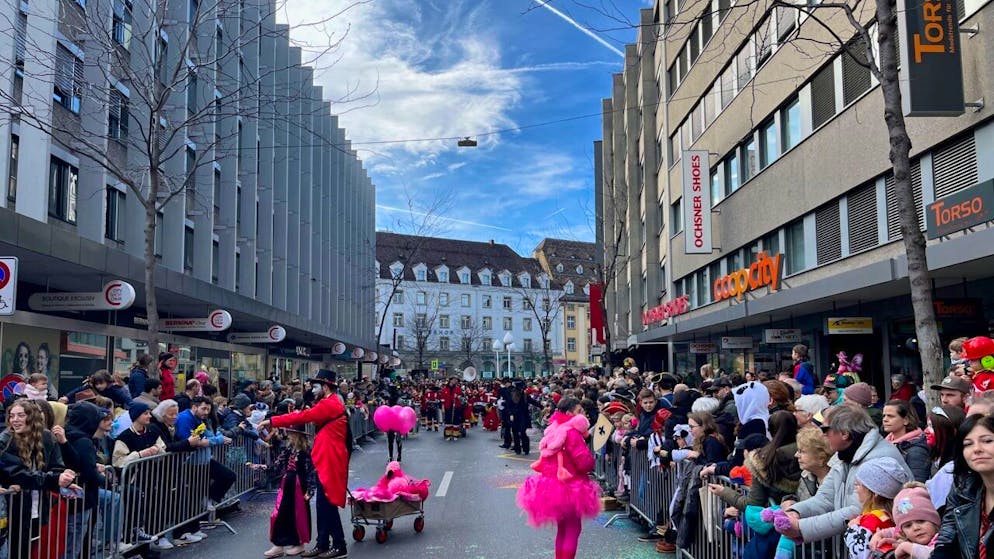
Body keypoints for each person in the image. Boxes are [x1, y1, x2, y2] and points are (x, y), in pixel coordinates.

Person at [776, 405, 912, 543]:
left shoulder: (877, 461)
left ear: (844, 433)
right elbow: (825, 498)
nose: (822, 434)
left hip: (880, 543)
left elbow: (859, 510)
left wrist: (801, 527)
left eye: (825, 430)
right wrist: (795, 512)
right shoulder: (844, 456)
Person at [260, 370, 349, 559]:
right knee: (322, 505)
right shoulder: (329, 402)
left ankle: (339, 545)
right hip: (326, 458)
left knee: (327, 504)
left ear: (325, 387)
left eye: (316, 386)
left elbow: (302, 417)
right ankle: (322, 543)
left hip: (330, 460)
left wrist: (273, 421)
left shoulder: (329, 404)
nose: (312, 389)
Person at [516, 396, 600, 559]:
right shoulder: (571, 433)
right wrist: (591, 460)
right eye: (579, 411)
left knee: (563, 529)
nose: (583, 414)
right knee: (573, 528)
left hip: (552, 485)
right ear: (569, 413)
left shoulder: (553, 431)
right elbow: (584, 463)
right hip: (571, 486)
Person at [0, 399, 78, 558]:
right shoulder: (6, 440)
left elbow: (56, 466)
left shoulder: (46, 437)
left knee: (27, 550)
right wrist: (54, 480)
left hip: (37, 507)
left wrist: (64, 481)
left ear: (32, 417)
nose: (15, 420)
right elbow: (18, 474)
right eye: (12, 416)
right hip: (13, 509)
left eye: (20, 415)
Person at [931, 413, 994, 558]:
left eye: (987, 441)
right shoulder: (963, 488)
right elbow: (948, 535)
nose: (977, 449)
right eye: (968, 444)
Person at [61, 401, 112, 559]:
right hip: (82, 498)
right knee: (74, 543)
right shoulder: (83, 441)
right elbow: (88, 472)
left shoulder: (67, 436)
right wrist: (104, 479)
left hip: (71, 497)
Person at [844, 457, 909, 559]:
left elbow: (860, 554)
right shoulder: (897, 515)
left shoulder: (871, 520)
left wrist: (852, 529)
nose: (856, 489)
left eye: (858, 485)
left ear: (875, 492)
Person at [265, 428, 314, 558]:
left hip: (300, 487)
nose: (288, 435)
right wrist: (263, 467)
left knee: (298, 515)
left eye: (291, 433)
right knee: (280, 513)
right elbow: (278, 464)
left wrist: (310, 489)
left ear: (298, 435)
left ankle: (299, 543)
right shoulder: (289, 449)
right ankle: (278, 544)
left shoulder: (306, 451)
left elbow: (311, 471)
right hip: (287, 485)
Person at [869, 483, 941, 559]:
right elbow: (893, 531)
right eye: (908, 526)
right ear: (903, 531)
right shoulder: (902, 532)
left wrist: (907, 547)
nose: (916, 528)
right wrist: (879, 535)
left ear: (934, 521)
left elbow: (938, 554)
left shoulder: (940, 539)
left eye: (921, 521)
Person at [882, 399, 930, 482]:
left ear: (906, 420)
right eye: (884, 416)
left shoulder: (916, 450)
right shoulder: (885, 444)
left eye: (890, 416)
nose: (885, 419)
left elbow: (916, 483)